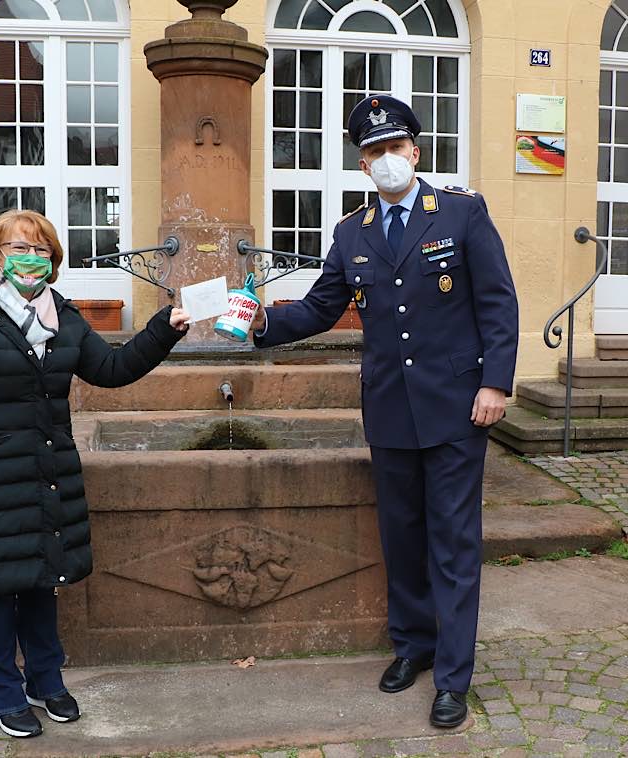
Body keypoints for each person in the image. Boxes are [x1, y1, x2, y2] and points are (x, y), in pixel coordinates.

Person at [251, 95, 519, 728]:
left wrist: (496, 385)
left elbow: (498, 303)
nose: (386, 160)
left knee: (452, 545)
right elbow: (321, 308)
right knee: (401, 540)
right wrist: (260, 321)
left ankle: (453, 676)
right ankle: (413, 647)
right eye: (373, 152)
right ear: (362, 165)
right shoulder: (352, 232)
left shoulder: (460, 213)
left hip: (458, 407)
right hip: (391, 410)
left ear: (415, 153)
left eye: (395, 148)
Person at [0, 210, 189, 738]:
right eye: (21, 247)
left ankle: (45, 679)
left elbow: (111, 370)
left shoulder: (61, 317)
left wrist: (165, 329)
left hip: (47, 475)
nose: (32, 257)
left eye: (43, 250)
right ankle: (1, 693)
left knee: (45, 581)